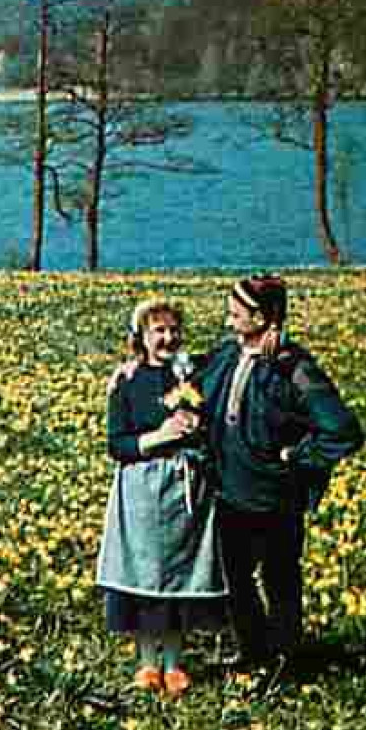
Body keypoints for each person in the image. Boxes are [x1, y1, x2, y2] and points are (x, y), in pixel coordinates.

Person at [196, 274, 364, 670]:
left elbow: (344, 431)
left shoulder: (295, 368)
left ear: (263, 317)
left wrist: (298, 457)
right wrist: (134, 369)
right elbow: (186, 378)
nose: (228, 320)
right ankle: (254, 654)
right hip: (229, 490)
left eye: (237, 313)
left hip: (275, 496)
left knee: (280, 578)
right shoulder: (226, 355)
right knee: (235, 578)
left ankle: (289, 659)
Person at [97, 297, 228, 698]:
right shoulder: (126, 381)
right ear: (140, 336)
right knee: (142, 577)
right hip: (140, 491)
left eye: (173, 330)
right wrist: (159, 437)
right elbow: (116, 443)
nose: (167, 337)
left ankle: (174, 664)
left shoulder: (191, 374)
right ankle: (146, 663)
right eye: (158, 330)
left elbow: (230, 350)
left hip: (182, 491)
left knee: (179, 576)